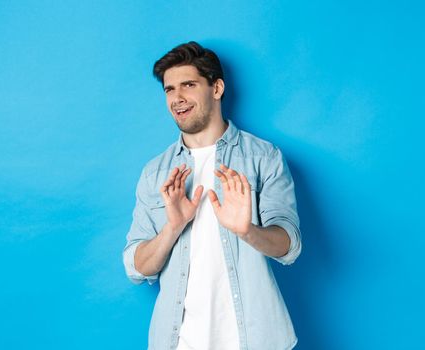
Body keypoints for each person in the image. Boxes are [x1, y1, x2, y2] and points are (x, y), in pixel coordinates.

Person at [122, 41, 302, 350]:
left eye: (188, 85)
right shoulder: (155, 173)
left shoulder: (263, 157)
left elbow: (289, 244)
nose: (177, 98)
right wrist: (172, 227)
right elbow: (136, 267)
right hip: (178, 342)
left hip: (255, 340)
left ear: (216, 88)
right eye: (169, 90)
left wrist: (247, 231)